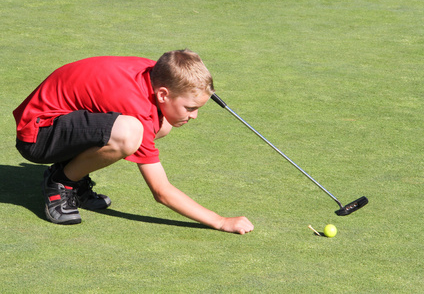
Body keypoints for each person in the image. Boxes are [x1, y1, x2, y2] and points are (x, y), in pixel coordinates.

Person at [13, 49, 254, 235]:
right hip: (37, 136)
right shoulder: (136, 106)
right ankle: (61, 182)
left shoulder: (156, 72)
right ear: (163, 94)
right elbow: (161, 192)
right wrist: (220, 221)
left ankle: (71, 171)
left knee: (162, 124)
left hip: (63, 122)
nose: (194, 116)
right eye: (190, 108)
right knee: (130, 133)